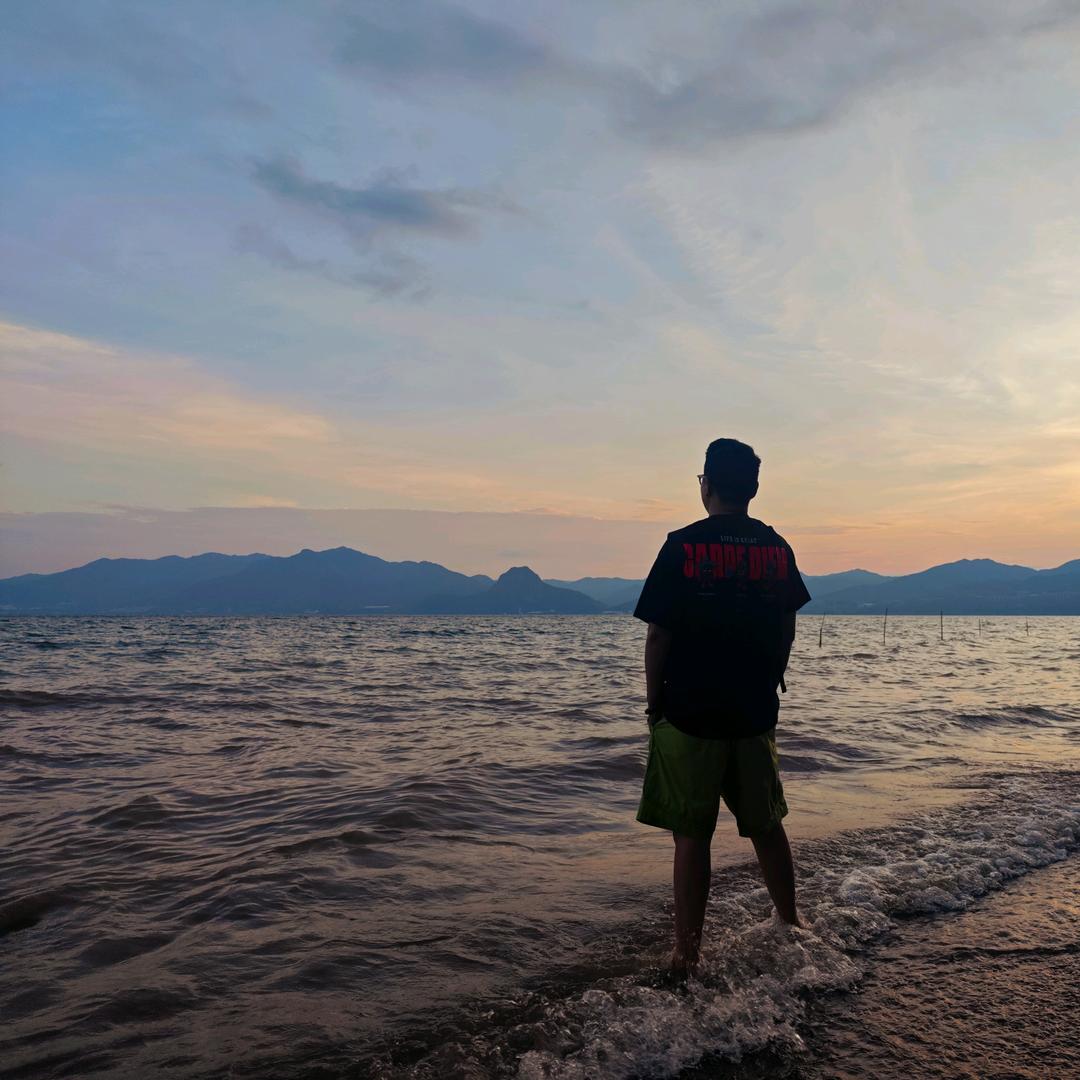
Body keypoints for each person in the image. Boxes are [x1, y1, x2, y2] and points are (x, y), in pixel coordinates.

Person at [633, 437, 812, 978]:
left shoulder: (681, 545)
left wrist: (654, 704)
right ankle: (792, 922)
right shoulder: (775, 546)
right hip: (753, 708)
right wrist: (773, 677)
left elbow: (659, 634)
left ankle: (687, 955)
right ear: (753, 488)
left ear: (706, 485)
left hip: (690, 711)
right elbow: (787, 624)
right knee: (766, 824)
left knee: (693, 835)